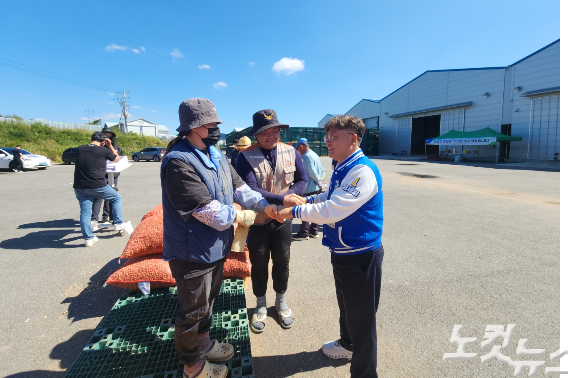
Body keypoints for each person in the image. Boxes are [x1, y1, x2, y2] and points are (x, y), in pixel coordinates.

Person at [161, 98, 277, 378]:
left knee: (209, 300)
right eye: (210, 125)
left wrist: (266, 206)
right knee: (192, 309)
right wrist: (239, 214)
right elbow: (208, 212)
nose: (215, 130)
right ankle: (192, 365)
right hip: (191, 252)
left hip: (215, 247)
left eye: (216, 125)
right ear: (194, 127)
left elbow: (240, 190)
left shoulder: (217, 155)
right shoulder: (178, 161)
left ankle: (203, 342)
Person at [276, 115, 384, 378]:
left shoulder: (362, 170)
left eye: (333, 137)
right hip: (343, 252)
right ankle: (347, 345)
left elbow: (334, 210)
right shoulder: (342, 166)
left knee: (362, 319)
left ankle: (364, 373)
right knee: (346, 306)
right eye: (327, 137)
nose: (327, 142)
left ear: (353, 138)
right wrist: (306, 199)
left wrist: (294, 211)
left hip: (360, 255)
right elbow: (330, 195)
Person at [235, 109, 307, 333]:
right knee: (258, 264)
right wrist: (282, 199)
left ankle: (281, 303)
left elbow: (302, 180)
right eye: (266, 131)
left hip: (283, 219)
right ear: (257, 134)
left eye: (275, 130)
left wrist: (291, 197)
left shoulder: (291, 152)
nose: (271, 135)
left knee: (283, 262)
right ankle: (260, 305)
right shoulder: (244, 156)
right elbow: (249, 189)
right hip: (258, 220)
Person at [73, 132, 127, 247]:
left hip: (80, 187)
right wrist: (111, 146)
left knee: (85, 212)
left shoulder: (80, 149)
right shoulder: (103, 150)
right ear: (103, 142)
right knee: (116, 198)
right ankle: (118, 223)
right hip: (97, 185)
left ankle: (88, 238)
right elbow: (116, 159)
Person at [91, 126, 124, 229]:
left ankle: (107, 216)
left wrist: (111, 147)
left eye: (109, 136)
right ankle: (94, 219)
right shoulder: (99, 147)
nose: (107, 138)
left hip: (113, 175)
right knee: (99, 196)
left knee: (112, 196)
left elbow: (119, 159)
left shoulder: (116, 148)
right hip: (101, 175)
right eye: (105, 136)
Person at [293, 138, 325, 240]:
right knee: (315, 209)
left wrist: (319, 182)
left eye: (297, 149)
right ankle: (314, 230)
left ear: (301, 147)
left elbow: (312, 173)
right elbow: (321, 170)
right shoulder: (314, 154)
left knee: (305, 209)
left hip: (309, 188)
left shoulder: (306, 157)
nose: (297, 151)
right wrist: (321, 181)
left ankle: (304, 232)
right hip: (316, 188)